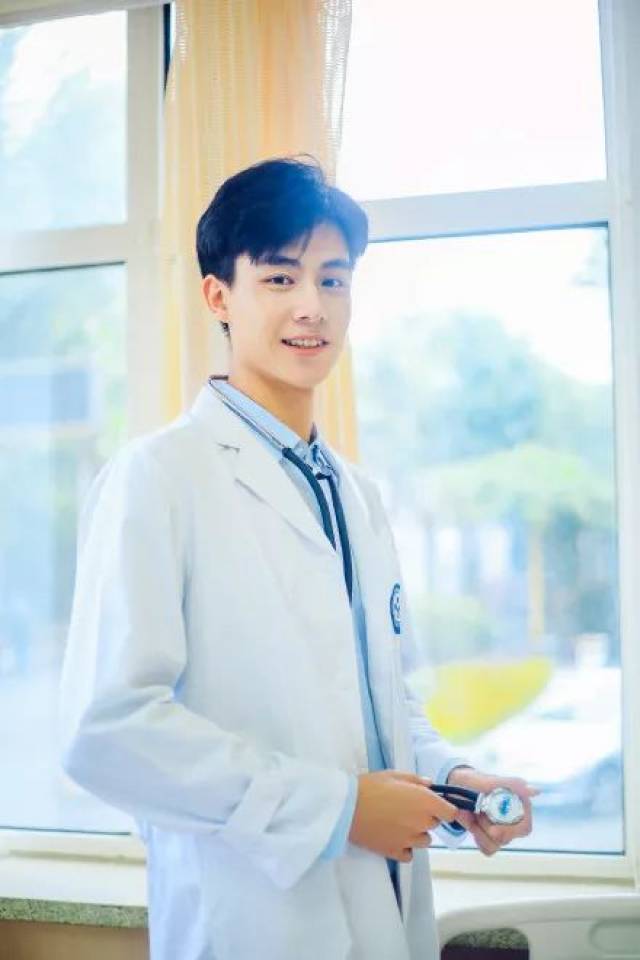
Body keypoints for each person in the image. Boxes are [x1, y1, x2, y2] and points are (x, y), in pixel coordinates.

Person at [60, 157, 536, 960]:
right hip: (249, 923)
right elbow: (106, 730)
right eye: (280, 278)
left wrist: (454, 781)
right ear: (219, 296)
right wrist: (337, 810)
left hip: (383, 915)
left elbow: (381, 703)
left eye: (333, 280)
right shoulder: (158, 478)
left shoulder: (356, 493)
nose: (312, 306)